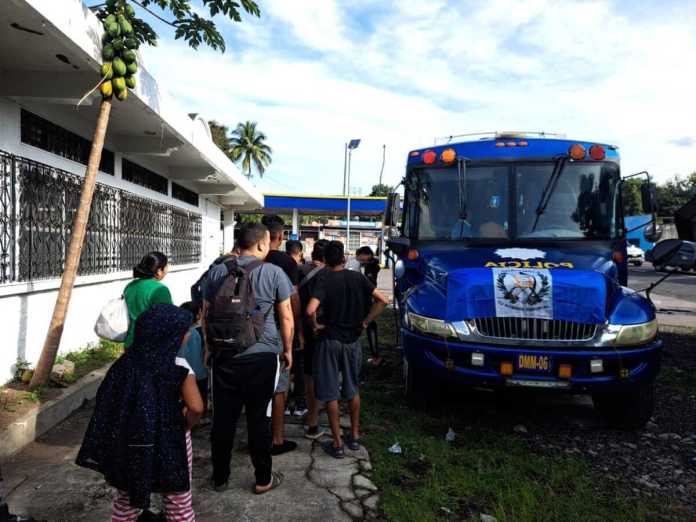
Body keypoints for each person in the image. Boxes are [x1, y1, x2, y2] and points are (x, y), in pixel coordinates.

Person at [76, 304, 204, 521]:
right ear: (169, 336)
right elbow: (197, 408)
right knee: (177, 498)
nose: (188, 335)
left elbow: (109, 400)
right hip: (171, 441)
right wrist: (186, 425)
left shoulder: (124, 365)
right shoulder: (179, 366)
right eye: (184, 331)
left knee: (127, 496)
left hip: (130, 440)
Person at [203, 222, 294, 493]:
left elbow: (205, 314)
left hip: (224, 356)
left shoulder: (217, 270)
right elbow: (286, 316)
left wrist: (209, 348)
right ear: (261, 245)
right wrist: (287, 349)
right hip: (262, 356)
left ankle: (220, 478)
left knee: (223, 420)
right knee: (258, 419)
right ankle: (263, 479)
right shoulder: (274, 272)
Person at [307, 241, 388, 458]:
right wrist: (365, 321)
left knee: (331, 393)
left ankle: (337, 443)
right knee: (352, 389)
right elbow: (383, 300)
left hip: (329, 340)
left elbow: (310, 309)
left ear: (326, 260)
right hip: (352, 342)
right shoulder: (357, 277)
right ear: (343, 258)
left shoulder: (324, 279)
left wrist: (316, 325)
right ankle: (354, 435)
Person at [261, 215, 300, 455]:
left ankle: (255, 434)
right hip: (275, 335)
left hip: (242, 337)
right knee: (278, 388)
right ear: (280, 235)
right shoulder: (285, 264)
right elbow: (291, 307)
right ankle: (276, 438)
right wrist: (295, 338)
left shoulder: (235, 263)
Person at [298, 239, 329, 439]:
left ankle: (311, 413)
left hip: (303, 329)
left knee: (309, 374)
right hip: (322, 329)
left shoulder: (300, 270)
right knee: (322, 375)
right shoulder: (328, 275)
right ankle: (313, 422)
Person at [123, 252, 172, 348]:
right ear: (159, 271)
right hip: (150, 343)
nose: (167, 269)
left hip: (130, 342)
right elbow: (168, 317)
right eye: (166, 266)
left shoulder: (130, 286)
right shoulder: (160, 290)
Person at [285, 239, 308, 417]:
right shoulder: (300, 269)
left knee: (285, 365)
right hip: (297, 321)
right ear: (299, 252)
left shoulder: (276, 266)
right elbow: (296, 300)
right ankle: (300, 402)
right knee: (299, 363)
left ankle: (283, 402)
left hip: (280, 323)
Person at [179, 301, 208, 413]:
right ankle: (200, 417)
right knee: (200, 398)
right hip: (199, 373)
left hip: (185, 373)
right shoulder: (196, 332)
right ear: (197, 315)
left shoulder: (180, 332)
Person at [355, 246, 382, 365]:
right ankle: (374, 355)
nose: (362, 261)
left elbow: (370, 283)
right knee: (369, 325)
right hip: (362, 298)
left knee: (369, 324)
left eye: (365, 259)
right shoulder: (360, 264)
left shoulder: (371, 266)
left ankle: (375, 356)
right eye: (362, 259)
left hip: (365, 298)